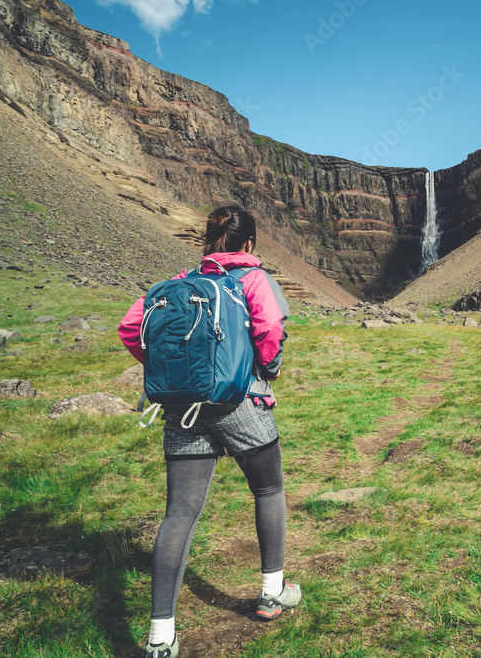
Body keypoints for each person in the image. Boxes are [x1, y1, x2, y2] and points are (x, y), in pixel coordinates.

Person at [118, 205, 301, 658]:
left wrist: (173, 373)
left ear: (208, 240)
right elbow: (270, 329)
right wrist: (267, 369)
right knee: (269, 488)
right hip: (241, 403)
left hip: (182, 409)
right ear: (250, 245)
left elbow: (128, 329)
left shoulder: (177, 284)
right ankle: (271, 592)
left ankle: (160, 637)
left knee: (179, 513)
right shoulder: (254, 279)